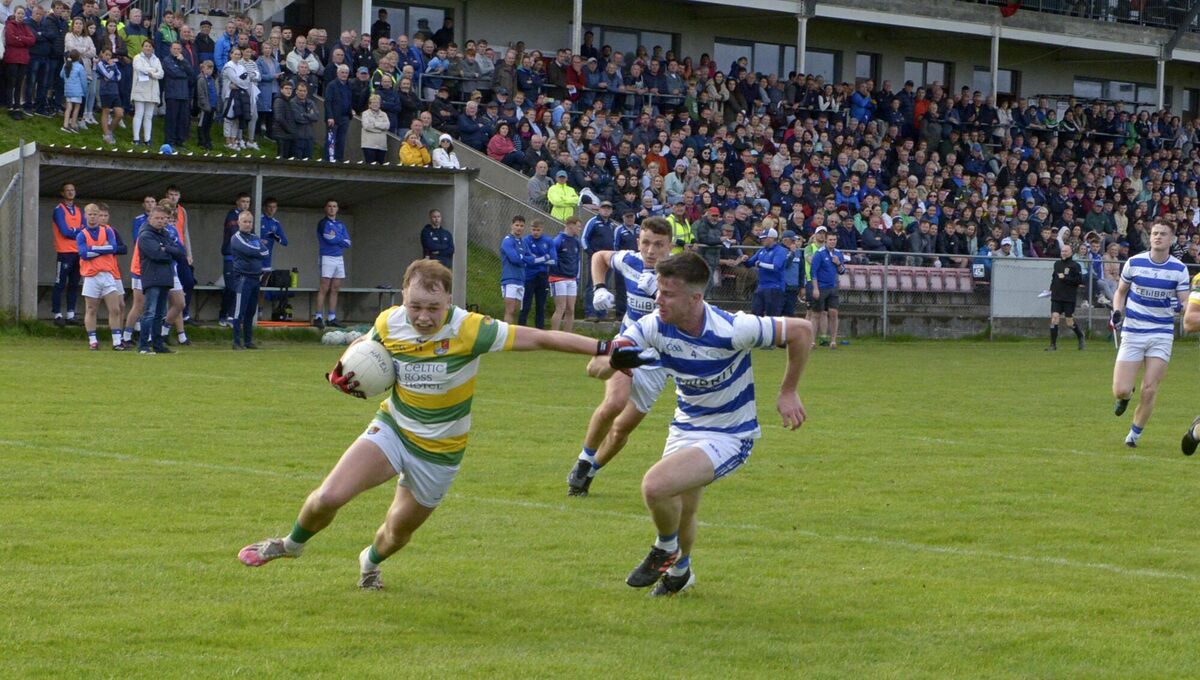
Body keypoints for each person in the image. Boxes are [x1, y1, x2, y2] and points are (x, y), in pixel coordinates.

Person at [237, 259, 645, 590]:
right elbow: (366, 345)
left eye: (433, 308)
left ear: (449, 300)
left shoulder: (470, 329)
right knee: (328, 496)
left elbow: (540, 338)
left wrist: (605, 347)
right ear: (403, 297)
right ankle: (290, 544)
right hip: (393, 429)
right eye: (415, 306)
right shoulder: (389, 321)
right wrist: (343, 367)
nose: (423, 316)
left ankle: (370, 562)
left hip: (440, 453)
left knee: (395, 534)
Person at [585, 251, 813, 595]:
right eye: (658, 291)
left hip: (731, 434)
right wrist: (614, 360)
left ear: (695, 298)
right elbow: (597, 366)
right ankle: (680, 572)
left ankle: (665, 548)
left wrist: (788, 392)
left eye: (668, 294)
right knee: (683, 508)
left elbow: (802, 330)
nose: (658, 300)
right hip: (686, 425)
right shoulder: (654, 325)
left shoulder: (733, 328)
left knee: (655, 485)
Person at [566, 217, 673, 497]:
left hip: (658, 361)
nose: (651, 251)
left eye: (659, 245)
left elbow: (689, 314)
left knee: (621, 431)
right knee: (614, 402)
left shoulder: (678, 273)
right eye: (646, 243)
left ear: (670, 247)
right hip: (628, 343)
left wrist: (660, 292)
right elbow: (599, 257)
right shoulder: (630, 260)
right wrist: (600, 287)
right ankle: (584, 459)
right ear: (638, 242)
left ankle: (590, 472)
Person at [1110, 222, 1190, 448]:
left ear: (1171, 239)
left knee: (1149, 388)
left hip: (1161, 334)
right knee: (1121, 389)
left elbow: (1184, 301)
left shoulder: (1179, 269)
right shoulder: (1134, 262)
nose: (1158, 237)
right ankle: (1125, 396)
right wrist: (1117, 311)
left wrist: (1184, 307)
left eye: (1163, 234)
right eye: (1155, 233)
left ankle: (1133, 436)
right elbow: (1120, 292)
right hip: (1134, 331)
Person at [76, 203, 126, 350]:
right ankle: (93, 340)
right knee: (91, 309)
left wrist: (95, 249)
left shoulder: (107, 231)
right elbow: (84, 254)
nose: (93, 217)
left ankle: (117, 341)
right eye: (90, 214)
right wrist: (103, 249)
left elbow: (114, 248)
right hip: (91, 276)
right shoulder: (82, 234)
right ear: (85, 216)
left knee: (115, 308)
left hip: (107, 274)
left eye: (95, 214)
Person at [136, 204, 183, 354]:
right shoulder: (145, 235)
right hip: (152, 277)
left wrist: (166, 248)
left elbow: (180, 252)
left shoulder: (166, 233)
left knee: (160, 314)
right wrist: (167, 251)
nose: (160, 221)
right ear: (150, 218)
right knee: (149, 312)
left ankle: (158, 345)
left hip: (165, 277)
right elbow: (156, 255)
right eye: (157, 218)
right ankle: (143, 345)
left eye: (163, 218)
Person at [229, 210, 268, 350]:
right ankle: (236, 341)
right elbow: (250, 250)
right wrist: (257, 251)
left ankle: (248, 341)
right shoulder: (236, 238)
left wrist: (256, 251)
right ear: (239, 222)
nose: (247, 224)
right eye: (245, 221)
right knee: (240, 311)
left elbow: (265, 252)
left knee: (251, 311)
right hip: (243, 278)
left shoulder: (254, 237)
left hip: (255, 278)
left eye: (250, 222)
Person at [51, 182, 83, 327]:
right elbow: (64, 231)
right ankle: (57, 314)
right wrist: (76, 231)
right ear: (62, 193)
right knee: (59, 283)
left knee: (74, 284)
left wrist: (74, 231)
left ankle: (71, 314)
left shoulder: (78, 210)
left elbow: (84, 229)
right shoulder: (59, 210)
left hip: (78, 252)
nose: (70, 193)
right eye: (67, 190)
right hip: (64, 252)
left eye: (72, 190)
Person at [315, 198, 350, 329]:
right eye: (329, 206)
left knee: (335, 288)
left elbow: (348, 242)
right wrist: (339, 239)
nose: (332, 208)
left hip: (339, 258)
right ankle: (318, 316)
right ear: (325, 208)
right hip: (327, 257)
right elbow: (329, 238)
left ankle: (332, 317)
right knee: (324, 287)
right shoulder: (323, 223)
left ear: (337, 209)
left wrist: (338, 238)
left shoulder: (341, 224)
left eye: (334, 206)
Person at [1045, 243, 1085, 351]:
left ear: (1071, 252)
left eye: (1066, 251)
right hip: (1056, 296)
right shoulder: (1057, 264)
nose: (1063, 253)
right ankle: (1053, 345)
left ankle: (1080, 335)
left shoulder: (1075, 265)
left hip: (1068, 297)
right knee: (1054, 319)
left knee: (1069, 322)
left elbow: (1079, 281)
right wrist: (1050, 289)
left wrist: (1065, 278)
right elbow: (1054, 278)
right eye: (1062, 251)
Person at [810, 231, 846, 349]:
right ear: (826, 240)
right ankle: (812, 341)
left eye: (834, 240)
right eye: (830, 240)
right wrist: (815, 288)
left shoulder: (838, 254)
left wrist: (838, 263)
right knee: (816, 314)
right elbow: (813, 272)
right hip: (821, 287)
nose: (832, 242)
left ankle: (833, 341)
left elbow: (842, 271)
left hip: (833, 287)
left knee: (834, 313)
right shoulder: (819, 254)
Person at [219, 193, 250, 326]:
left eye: (248, 202)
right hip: (230, 257)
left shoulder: (247, 218)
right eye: (243, 201)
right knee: (231, 287)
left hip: (242, 258)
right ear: (237, 202)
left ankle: (231, 316)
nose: (245, 204)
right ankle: (223, 314)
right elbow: (236, 233)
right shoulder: (232, 216)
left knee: (238, 287)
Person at [744, 227, 788, 316]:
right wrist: (744, 259)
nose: (762, 240)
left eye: (764, 238)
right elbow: (750, 263)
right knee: (755, 313)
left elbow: (776, 267)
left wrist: (761, 264)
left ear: (772, 238)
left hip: (775, 287)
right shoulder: (762, 250)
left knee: (772, 316)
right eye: (761, 238)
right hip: (761, 286)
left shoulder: (781, 250)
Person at [519, 219, 554, 328]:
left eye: (538, 230)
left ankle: (540, 330)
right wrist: (543, 258)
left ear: (542, 230)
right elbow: (525, 258)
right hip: (529, 276)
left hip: (542, 276)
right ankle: (521, 329)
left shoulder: (548, 241)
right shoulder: (525, 241)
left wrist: (536, 260)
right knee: (526, 304)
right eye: (533, 230)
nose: (535, 232)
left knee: (540, 305)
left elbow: (553, 260)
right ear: (530, 229)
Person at [550, 216, 582, 332]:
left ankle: (567, 336)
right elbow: (551, 258)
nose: (579, 229)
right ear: (570, 225)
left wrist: (576, 278)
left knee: (570, 309)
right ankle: (554, 335)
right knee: (560, 308)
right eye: (578, 226)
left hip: (571, 278)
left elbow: (577, 260)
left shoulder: (576, 242)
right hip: (558, 278)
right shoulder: (558, 240)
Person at [499, 214, 533, 324]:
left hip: (521, 279)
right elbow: (514, 259)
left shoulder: (523, 242)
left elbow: (531, 259)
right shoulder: (507, 241)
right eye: (517, 225)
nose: (519, 228)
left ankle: (513, 335)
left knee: (516, 311)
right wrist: (524, 258)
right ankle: (506, 336)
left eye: (521, 225)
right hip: (510, 279)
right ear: (512, 226)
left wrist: (523, 258)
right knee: (510, 310)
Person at [129, 38, 161, 146]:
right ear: (142, 47)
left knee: (148, 116)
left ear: (153, 48)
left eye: (150, 46)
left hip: (152, 91)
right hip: (140, 89)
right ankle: (136, 139)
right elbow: (139, 69)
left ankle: (147, 139)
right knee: (139, 114)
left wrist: (152, 73)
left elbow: (161, 73)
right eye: (146, 46)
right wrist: (152, 70)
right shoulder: (137, 58)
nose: (148, 48)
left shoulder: (156, 59)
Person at [323, 63, 351, 161]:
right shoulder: (332, 85)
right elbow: (327, 102)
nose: (344, 75)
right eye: (342, 72)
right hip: (334, 118)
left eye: (346, 73)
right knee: (331, 141)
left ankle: (339, 160)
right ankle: (328, 160)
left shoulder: (348, 85)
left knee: (341, 141)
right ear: (338, 73)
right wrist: (330, 116)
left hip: (345, 117)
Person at [259, 197, 288, 274]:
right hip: (255, 260)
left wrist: (275, 237)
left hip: (267, 262)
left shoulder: (276, 223)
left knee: (264, 285)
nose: (272, 209)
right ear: (265, 207)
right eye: (270, 207)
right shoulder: (258, 219)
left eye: (274, 207)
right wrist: (260, 240)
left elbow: (285, 242)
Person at [359, 93, 389, 163]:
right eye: (373, 103)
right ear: (369, 104)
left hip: (382, 146)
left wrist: (375, 124)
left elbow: (387, 126)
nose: (375, 104)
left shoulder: (384, 114)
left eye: (377, 103)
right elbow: (366, 126)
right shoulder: (365, 113)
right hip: (369, 145)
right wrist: (380, 129)